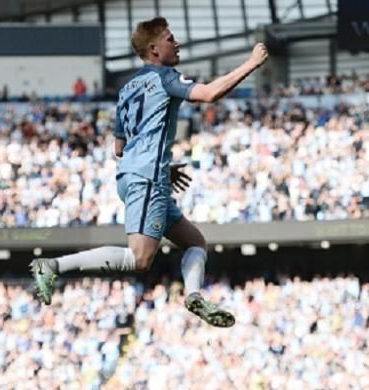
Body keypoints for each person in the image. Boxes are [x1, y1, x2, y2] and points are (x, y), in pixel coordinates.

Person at [29, 16, 268, 327]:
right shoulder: (166, 77)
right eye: (170, 39)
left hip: (136, 176)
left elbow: (119, 146)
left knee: (195, 242)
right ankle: (53, 265)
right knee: (140, 259)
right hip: (147, 178)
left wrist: (159, 165)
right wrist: (251, 63)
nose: (176, 43)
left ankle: (194, 296)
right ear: (155, 49)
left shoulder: (128, 88)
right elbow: (209, 94)